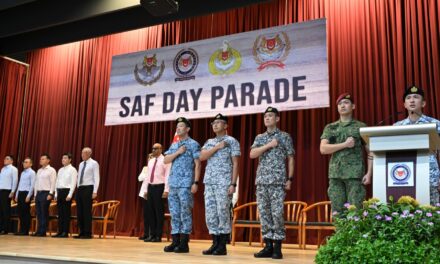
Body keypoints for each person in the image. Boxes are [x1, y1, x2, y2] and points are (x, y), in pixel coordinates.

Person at [250, 107, 294, 259]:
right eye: (265, 116)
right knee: (264, 214)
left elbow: (291, 158)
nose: (267, 118)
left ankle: (277, 247)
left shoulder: (284, 136)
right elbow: (252, 154)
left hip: (277, 181)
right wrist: (268, 145)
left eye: (270, 116)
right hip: (262, 181)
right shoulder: (260, 137)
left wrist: (290, 179)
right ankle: (267, 245)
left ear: (277, 119)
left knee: (277, 214)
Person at [320, 93, 372, 213]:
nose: (342, 105)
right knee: (337, 212)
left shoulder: (361, 127)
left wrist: (369, 173)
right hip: (336, 175)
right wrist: (344, 145)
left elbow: (370, 152)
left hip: (355, 176)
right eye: (340, 103)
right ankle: (339, 232)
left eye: (346, 102)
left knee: (356, 211)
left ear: (353, 106)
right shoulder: (331, 127)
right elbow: (323, 149)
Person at [200, 114, 240, 255]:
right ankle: (214, 243)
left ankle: (222, 245)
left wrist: (233, 184)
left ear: (226, 125)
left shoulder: (231, 141)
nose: (215, 125)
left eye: (219, 122)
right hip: (209, 182)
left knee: (222, 212)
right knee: (211, 214)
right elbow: (202, 156)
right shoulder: (210, 141)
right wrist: (217, 147)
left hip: (224, 182)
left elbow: (235, 163)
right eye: (213, 123)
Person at [394, 86, 440, 205]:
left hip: (430, 172)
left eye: (416, 97)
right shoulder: (397, 126)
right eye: (408, 98)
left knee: (432, 210)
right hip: (404, 174)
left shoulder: (434, 124)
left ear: (423, 103)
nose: (412, 100)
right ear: (404, 104)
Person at [163, 117, 201, 253]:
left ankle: (184, 243)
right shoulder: (174, 145)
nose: (178, 128)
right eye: (177, 126)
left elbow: (198, 164)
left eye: (181, 126)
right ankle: (175, 241)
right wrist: (178, 152)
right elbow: (166, 160)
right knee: (174, 213)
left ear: (187, 129)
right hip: (173, 183)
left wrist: (195, 182)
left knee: (185, 212)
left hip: (186, 183)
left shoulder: (193, 144)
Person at [143, 143, 170, 243]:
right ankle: (152, 234)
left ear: (161, 149)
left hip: (160, 187)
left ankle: (158, 236)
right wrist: (145, 190)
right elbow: (147, 176)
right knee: (150, 212)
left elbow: (167, 176)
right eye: (153, 148)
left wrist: (166, 190)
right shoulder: (151, 161)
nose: (153, 150)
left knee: (159, 212)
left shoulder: (165, 160)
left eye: (155, 149)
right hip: (150, 187)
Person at [75, 147, 100, 239]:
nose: (82, 155)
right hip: (80, 188)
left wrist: (95, 191)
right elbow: (78, 177)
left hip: (88, 188)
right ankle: (81, 232)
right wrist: (77, 187)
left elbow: (97, 177)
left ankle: (87, 233)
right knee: (80, 211)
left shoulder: (94, 163)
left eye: (84, 153)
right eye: (82, 153)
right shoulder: (81, 164)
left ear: (89, 154)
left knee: (86, 211)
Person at [53, 153, 77, 238]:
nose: (63, 159)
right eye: (62, 158)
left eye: (65, 158)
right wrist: (55, 194)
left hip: (67, 192)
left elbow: (73, 183)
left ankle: (65, 232)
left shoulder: (72, 169)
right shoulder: (60, 170)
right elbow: (57, 182)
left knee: (66, 213)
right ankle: (60, 231)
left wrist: (70, 195)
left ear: (70, 159)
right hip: (59, 192)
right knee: (60, 213)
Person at [33, 153, 57, 236]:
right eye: (40, 159)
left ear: (48, 160)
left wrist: (51, 193)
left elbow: (53, 182)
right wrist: (35, 194)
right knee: (38, 213)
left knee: (44, 212)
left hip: (46, 193)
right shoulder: (39, 170)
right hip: (38, 193)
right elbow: (36, 183)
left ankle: (43, 231)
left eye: (43, 159)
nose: (41, 160)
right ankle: (38, 230)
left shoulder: (51, 170)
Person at [14, 157, 36, 235]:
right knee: (20, 212)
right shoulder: (22, 173)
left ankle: (25, 230)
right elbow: (19, 184)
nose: (24, 163)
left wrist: (29, 196)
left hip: (26, 193)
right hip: (20, 193)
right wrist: (16, 194)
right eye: (24, 162)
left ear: (31, 164)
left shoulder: (32, 172)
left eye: (26, 162)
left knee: (25, 212)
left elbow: (32, 185)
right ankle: (21, 229)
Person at [0, 155, 18, 235]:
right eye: (4, 158)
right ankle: (0, 227)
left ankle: (5, 228)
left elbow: (15, 181)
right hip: (1, 190)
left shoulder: (13, 169)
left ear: (11, 161)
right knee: (0, 210)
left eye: (7, 159)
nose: (5, 160)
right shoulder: (3, 169)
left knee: (5, 210)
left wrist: (13, 191)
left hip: (7, 191)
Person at [138, 153, 152, 241]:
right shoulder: (145, 168)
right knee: (146, 215)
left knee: (152, 215)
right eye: (149, 157)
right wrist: (147, 172)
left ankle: (152, 234)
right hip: (144, 193)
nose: (150, 159)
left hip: (153, 193)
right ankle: (146, 233)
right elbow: (140, 178)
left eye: (152, 157)